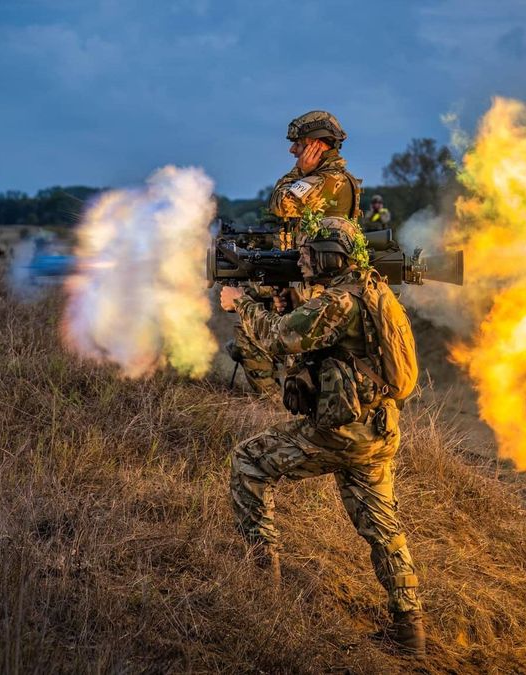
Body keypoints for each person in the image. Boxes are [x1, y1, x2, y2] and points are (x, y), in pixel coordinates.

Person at [219, 221, 426, 655]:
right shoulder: (372, 289)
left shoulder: (339, 300)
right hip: (377, 428)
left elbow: (281, 339)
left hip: (342, 433)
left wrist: (242, 306)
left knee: (248, 462)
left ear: (333, 256)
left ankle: (261, 591)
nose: (303, 258)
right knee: (383, 527)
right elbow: (322, 336)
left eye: (311, 252)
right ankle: (410, 630)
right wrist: (288, 301)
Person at [230, 110, 364, 398]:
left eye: (299, 144)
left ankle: (272, 404)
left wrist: (299, 173)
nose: (293, 150)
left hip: (320, 289)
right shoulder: (326, 179)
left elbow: (281, 203)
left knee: (286, 346)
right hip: (314, 281)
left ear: (317, 145)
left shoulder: (328, 181)